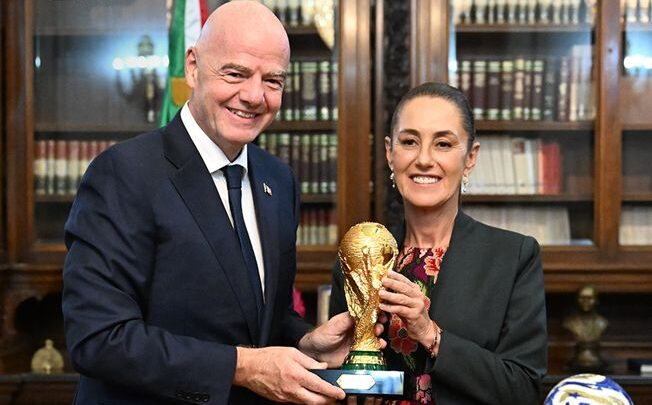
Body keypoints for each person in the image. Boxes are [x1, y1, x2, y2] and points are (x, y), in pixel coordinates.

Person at [62, 2, 371, 404]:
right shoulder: (123, 174)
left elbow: (258, 319)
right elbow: (98, 338)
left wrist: (305, 342)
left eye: (273, 80)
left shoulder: (278, 181)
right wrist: (244, 367)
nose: (254, 96)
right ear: (193, 67)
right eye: (235, 74)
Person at [329, 82, 548, 404]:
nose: (424, 160)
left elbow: (524, 390)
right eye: (409, 142)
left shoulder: (513, 257)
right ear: (390, 152)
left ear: (470, 157)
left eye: (443, 144)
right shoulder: (361, 255)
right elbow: (339, 374)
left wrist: (430, 334)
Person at [562, 285, 608, 371]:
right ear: (577, 300)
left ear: (596, 300)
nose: (585, 301)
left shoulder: (602, 323)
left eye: (589, 298)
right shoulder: (569, 323)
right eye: (582, 298)